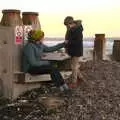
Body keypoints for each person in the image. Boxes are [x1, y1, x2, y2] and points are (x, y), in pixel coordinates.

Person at [64, 19, 83, 88]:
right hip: (73, 50)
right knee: (74, 66)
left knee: (74, 67)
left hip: (76, 51)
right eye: (66, 25)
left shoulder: (77, 31)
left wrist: (67, 43)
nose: (67, 26)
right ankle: (80, 78)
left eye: (68, 25)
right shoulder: (73, 30)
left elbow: (77, 42)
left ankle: (74, 82)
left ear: (73, 23)